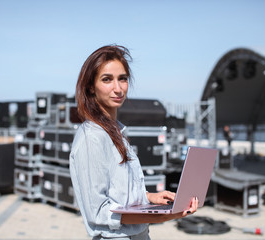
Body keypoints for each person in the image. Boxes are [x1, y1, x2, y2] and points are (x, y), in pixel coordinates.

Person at [69, 45, 198, 240]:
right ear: (90, 87)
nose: (118, 88)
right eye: (107, 79)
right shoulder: (92, 137)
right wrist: (163, 215)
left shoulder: (116, 131)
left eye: (122, 78)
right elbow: (99, 212)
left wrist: (149, 197)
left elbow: (119, 192)